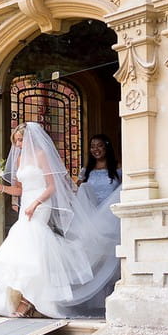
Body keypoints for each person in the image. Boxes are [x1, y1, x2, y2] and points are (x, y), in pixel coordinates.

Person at [0, 122, 95, 318]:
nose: (18, 144)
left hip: (41, 204)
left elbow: (51, 187)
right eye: (16, 141)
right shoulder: (19, 159)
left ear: (29, 138)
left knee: (34, 242)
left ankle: (27, 302)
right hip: (26, 204)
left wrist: (35, 203)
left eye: (20, 140)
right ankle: (26, 298)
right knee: (25, 247)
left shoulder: (41, 155)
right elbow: (19, 190)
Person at [56, 134, 122, 317]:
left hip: (111, 218)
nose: (96, 149)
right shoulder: (86, 170)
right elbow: (76, 191)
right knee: (94, 256)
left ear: (106, 147)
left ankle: (111, 298)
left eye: (99, 146)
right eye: (93, 146)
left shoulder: (117, 169)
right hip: (92, 218)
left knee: (112, 257)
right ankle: (94, 301)